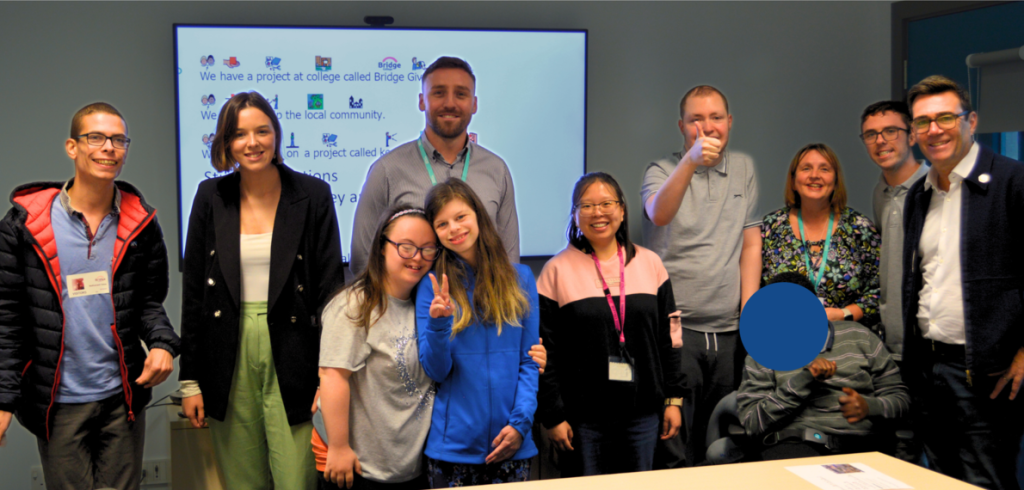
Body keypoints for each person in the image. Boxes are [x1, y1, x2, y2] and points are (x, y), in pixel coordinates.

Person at [0, 102, 180, 490]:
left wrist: (163, 343)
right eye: (95, 137)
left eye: (118, 140)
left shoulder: (141, 222)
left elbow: (148, 302)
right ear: (72, 147)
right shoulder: (24, 225)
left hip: (122, 398)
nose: (108, 148)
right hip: (58, 401)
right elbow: (7, 318)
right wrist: (3, 399)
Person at [178, 91, 344, 489]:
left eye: (262, 131)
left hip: (297, 352)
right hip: (226, 351)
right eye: (239, 134)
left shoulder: (313, 194)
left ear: (276, 134)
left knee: (296, 478)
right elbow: (194, 294)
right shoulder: (210, 196)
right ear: (226, 143)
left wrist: (329, 378)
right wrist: (190, 381)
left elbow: (330, 294)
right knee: (242, 481)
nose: (252, 143)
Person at [901, 75, 1024, 490]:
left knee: (985, 480)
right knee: (941, 480)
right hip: (930, 370)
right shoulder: (920, 194)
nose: (933, 130)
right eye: (922, 122)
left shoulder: (1012, 182)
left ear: (971, 121)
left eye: (945, 118)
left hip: (989, 372)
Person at [641, 85, 761, 467]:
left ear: (730, 122)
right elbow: (659, 213)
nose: (707, 127)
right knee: (674, 442)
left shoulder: (744, 168)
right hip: (678, 329)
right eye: (696, 119)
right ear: (682, 126)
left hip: (728, 330)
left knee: (723, 441)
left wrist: (750, 315)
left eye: (715, 117)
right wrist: (689, 163)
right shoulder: (661, 169)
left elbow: (751, 245)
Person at [537, 172, 684, 476]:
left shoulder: (651, 264)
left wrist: (674, 399)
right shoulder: (555, 272)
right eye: (587, 206)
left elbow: (669, 340)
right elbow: (544, 353)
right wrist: (553, 416)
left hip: (643, 413)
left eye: (606, 203)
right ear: (575, 215)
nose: (598, 212)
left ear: (622, 209)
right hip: (583, 419)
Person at [417, 178, 538, 486]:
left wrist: (520, 425)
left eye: (460, 217)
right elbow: (436, 370)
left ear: (478, 216)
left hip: (513, 444)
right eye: (442, 224)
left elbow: (529, 361)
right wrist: (439, 323)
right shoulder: (432, 288)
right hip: (451, 450)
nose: (454, 229)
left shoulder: (520, 278)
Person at [350, 56, 519, 274]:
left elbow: (509, 261)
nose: (450, 103)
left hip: (482, 307)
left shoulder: (497, 170)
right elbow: (363, 262)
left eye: (461, 94)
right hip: (409, 307)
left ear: (474, 104)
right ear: (422, 101)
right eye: (439, 93)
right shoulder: (387, 171)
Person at [737, 272, 910, 460]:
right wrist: (804, 379)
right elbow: (752, 423)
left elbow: (901, 400)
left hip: (864, 448)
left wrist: (871, 407)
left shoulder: (861, 336)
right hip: (796, 447)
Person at [761, 143, 880, 327]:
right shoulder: (770, 228)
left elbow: (879, 292)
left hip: (845, 338)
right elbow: (756, 292)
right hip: (783, 337)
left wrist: (843, 314)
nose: (815, 175)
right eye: (806, 168)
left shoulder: (859, 228)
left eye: (824, 169)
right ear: (793, 181)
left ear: (835, 181)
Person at [860, 100, 928, 361]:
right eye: (871, 134)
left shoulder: (935, 189)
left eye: (891, 131)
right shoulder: (880, 192)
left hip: (928, 345)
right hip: (890, 344)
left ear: (911, 135)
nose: (880, 140)